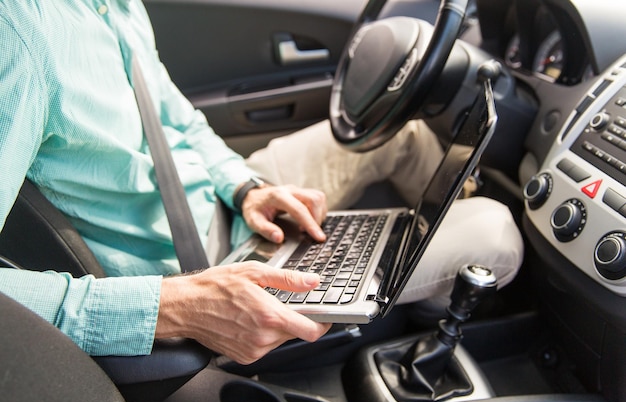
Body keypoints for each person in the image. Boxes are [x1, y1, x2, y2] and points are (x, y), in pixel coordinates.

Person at [0, 1, 523, 365]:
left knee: (402, 135)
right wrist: (171, 307)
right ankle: (454, 311)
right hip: (188, 273)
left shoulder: (114, 6)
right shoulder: (18, 36)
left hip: (226, 210)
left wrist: (246, 187)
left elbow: (175, 120)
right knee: (495, 233)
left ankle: (434, 298)